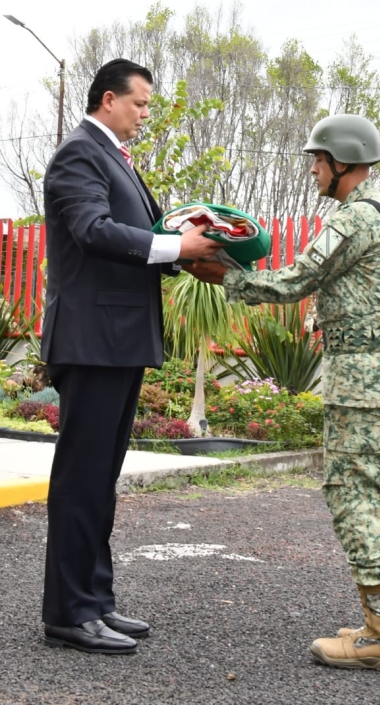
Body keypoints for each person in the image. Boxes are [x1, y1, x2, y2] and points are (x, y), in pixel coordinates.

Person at [190, 114, 380, 672]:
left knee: (354, 497)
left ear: (343, 162)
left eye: (319, 160)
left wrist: (228, 275)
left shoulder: (351, 219)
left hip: (360, 383)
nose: (314, 169)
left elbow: (296, 279)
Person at [41, 58, 219, 655]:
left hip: (115, 340)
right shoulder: (79, 153)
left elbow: (131, 235)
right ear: (109, 99)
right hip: (92, 341)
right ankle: (68, 612)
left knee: (101, 479)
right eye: (141, 104)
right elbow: (93, 230)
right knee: (81, 478)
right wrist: (173, 244)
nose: (146, 114)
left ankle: (95, 601)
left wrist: (190, 250)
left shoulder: (114, 157)